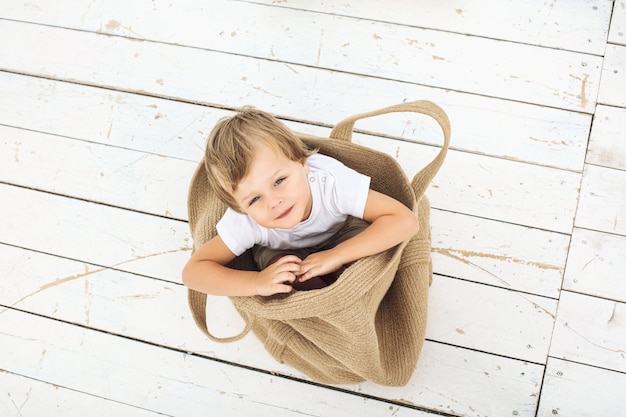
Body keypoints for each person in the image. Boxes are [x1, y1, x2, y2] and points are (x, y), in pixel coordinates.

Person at [182, 107, 419, 296]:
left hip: (341, 231)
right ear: (239, 208)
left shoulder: (331, 184)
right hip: (284, 251)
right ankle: (317, 297)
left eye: (279, 181)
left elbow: (405, 221)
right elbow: (194, 272)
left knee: (367, 247)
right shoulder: (246, 221)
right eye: (254, 199)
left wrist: (337, 255)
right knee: (281, 271)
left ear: (303, 163)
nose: (274, 202)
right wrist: (256, 282)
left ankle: (347, 288)